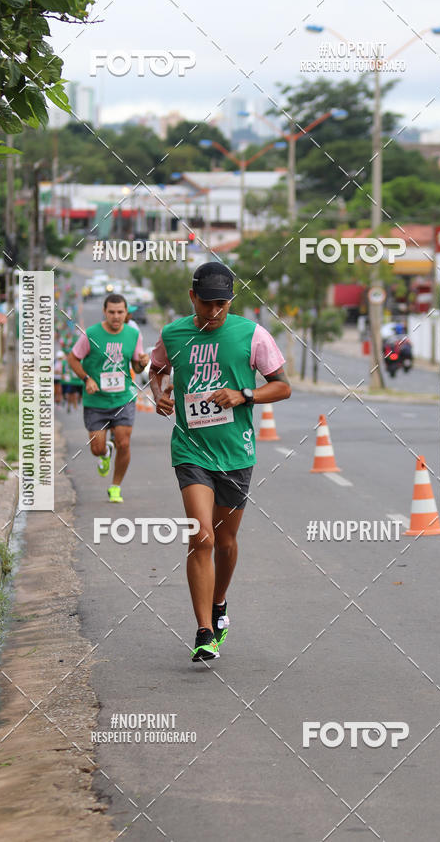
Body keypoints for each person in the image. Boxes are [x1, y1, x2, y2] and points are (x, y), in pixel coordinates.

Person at [149, 262, 291, 662]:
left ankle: (220, 602)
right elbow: (155, 369)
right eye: (207, 303)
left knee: (226, 542)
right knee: (202, 537)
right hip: (191, 451)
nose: (214, 312)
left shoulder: (252, 335)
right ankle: (204, 631)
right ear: (192, 297)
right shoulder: (173, 333)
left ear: (231, 302)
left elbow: (282, 387)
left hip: (235, 453)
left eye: (222, 305)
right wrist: (159, 394)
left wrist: (244, 395)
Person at [68, 293, 150, 503]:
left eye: (120, 312)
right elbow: (73, 358)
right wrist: (87, 379)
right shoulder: (91, 334)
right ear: (104, 312)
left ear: (126, 313)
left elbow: (136, 366)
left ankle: (115, 487)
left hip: (123, 397)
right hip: (96, 400)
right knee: (96, 448)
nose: (116, 316)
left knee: (124, 442)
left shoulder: (133, 334)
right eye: (112, 312)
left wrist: (142, 361)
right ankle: (105, 453)